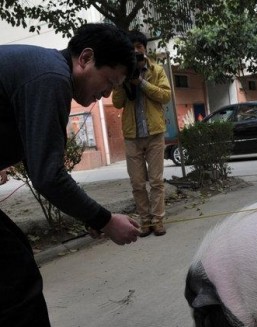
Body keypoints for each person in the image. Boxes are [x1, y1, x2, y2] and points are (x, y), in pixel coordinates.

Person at [0, 24, 142, 326]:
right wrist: (105, 220)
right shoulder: (50, 78)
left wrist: (91, 217)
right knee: (16, 278)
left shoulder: (43, 71)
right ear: (86, 58)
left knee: (15, 257)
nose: (104, 95)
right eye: (108, 82)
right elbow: (48, 175)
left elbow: (36, 153)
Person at [112, 30, 172, 237]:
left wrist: (142, 82)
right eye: (132, 47)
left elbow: (165, 96)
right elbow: (117, 102)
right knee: (137, 183)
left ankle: (158, 221)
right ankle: (145, 222)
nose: (136, 50)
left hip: (155, 133)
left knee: (156, 181)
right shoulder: (122, 72)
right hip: (132, 135)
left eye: (139, 46)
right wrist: (123, 81)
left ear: (145, 49)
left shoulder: (156, 70)